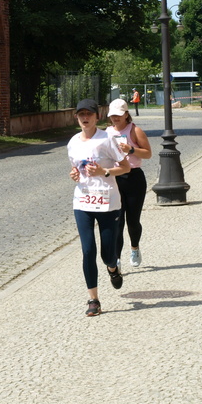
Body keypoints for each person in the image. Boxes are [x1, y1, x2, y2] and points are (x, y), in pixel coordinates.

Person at [68, 99, 132, 316]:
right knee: (87, 250)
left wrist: (103, 172)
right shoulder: (73, 142)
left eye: (89, 114)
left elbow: (125, 168)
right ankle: (93, 299)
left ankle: (113, 268)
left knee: (107, 255)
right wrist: (74, 174)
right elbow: (76, 168)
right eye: (81, 114)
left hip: (107, 202)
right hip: (83, 201)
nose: (85, 118)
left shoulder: (107, 139)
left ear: (97, 117)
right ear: (76, 117)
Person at [106, 98, 152, 268]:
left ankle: (135, 248)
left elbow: (148, 154)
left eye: (118, 115)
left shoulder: (135, 130)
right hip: (115, 178)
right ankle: (116, 258)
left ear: (126, 114)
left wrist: (131, 149)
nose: (115, 119)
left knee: (132, 221)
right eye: (113, 115)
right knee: (117, 221)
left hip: (134, 178)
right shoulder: (107, 132)